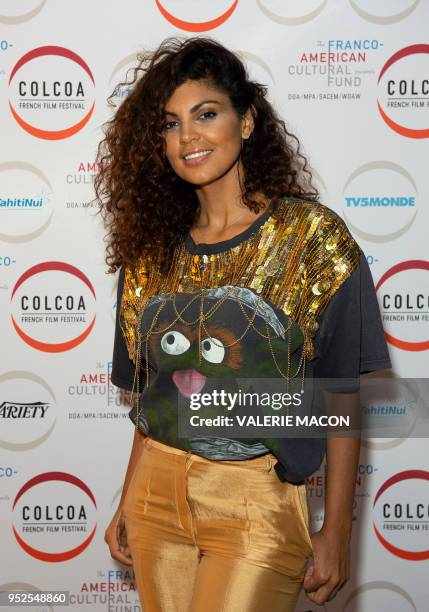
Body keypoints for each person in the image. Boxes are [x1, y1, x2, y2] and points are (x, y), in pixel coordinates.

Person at [95, 37, 391, 612]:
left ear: (247, 121)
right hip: (156, 497)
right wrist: (128, 499)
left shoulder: (311, 239)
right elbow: (154, 403)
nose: (188, 137)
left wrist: (338, 530)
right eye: (170, 124)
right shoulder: (150, 253)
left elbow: (341, 396)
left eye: (206, 114)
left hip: (256, 499)